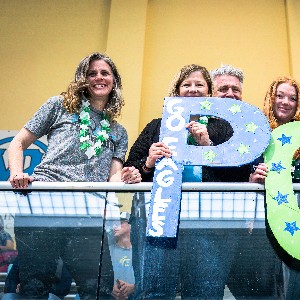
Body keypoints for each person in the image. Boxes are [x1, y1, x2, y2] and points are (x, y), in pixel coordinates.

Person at [6, 52, 141, 300]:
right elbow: (17, 144)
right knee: (34, 286)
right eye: (92, 73)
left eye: (105, 73)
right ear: (82, 79)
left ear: (114, 81)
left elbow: (112, 179)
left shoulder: (118, 131)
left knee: (98, 288)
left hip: (88, 214)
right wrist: (17, 174)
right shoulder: (58, 106)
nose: (98, 77)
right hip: (43, 205)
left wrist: (126, 177)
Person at [124, 64, 251, 299]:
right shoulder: (157, 125)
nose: (193, 89)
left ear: (209, 92)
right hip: (162, 224)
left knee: (205, 293)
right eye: (187, 84)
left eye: (200, 85)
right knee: (155, 292)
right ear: (177, 91)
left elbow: (240, 175)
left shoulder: (225, 128)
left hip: (209, 227)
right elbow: (130, 168)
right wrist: (148, 162)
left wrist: (208, 147)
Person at [250, 76, 300, 300]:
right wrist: (253, 180)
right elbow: (242, 175)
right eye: (279, 96)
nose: (285, 102)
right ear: (270, 98)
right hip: (262, 224)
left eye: (292, 98)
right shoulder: (256, 137)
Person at [108, 212, 135, 300]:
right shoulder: (108, 251)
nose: (115, 226)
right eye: (113, 223)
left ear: (130, 225)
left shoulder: (142, 252)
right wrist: (110, 289)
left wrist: (134, 287)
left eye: (120, 222)